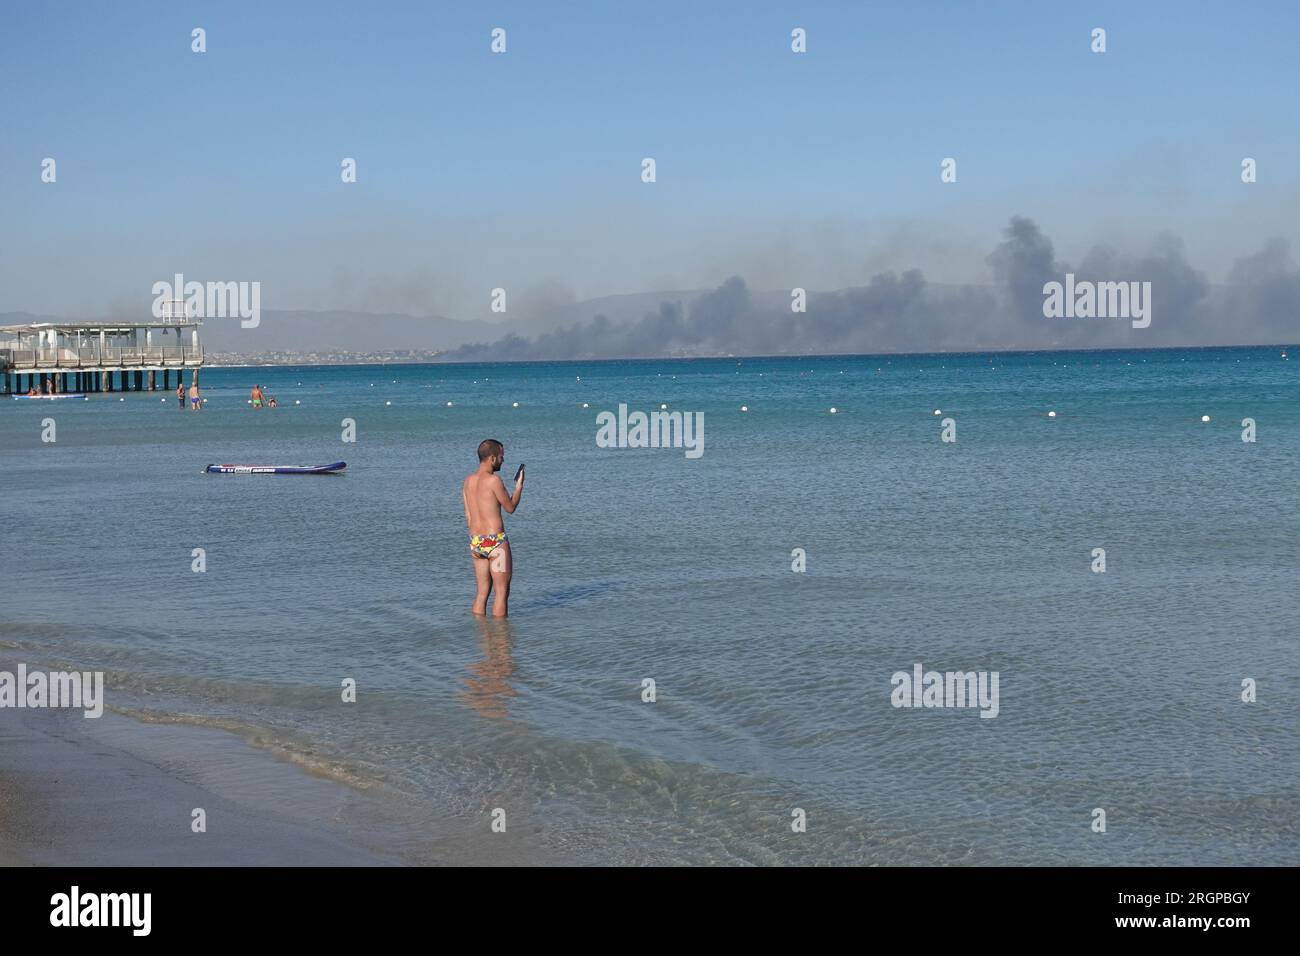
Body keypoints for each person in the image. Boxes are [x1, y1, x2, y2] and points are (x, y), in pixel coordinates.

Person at [462, 439, 524, 617]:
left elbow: (468, 515)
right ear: (492, 458)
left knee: (481, 593)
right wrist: (519, 486)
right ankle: (501, 639)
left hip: (476, 542)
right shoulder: (493, 480)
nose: (503, 460)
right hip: (495, 543)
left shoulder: (468, 481)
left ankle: (481, 636)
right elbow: (510, 507)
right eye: (501, 456)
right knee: (501, 594)